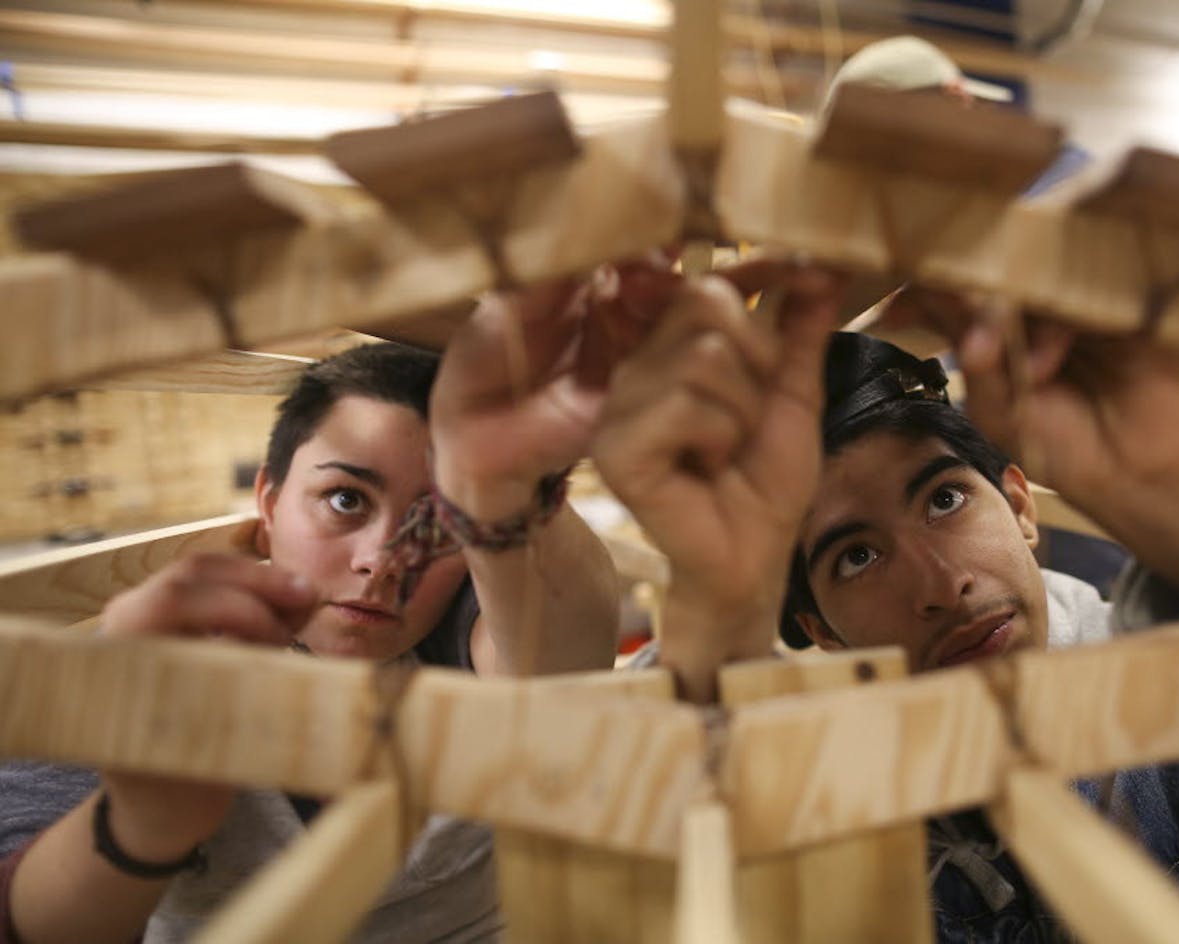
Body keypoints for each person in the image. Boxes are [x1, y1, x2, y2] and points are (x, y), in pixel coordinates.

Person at [594, 264, 1179, 940]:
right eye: (856, 556)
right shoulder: (831, 790)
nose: (939, 584)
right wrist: (714, 601)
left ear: (1020, 507)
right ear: (818, 631)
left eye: (946, 501)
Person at [0, 262, 675, 943]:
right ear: (268, 502)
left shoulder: (459, 623)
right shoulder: (150, 670)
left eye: (438, 521)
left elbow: (561, 656)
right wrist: (141, 823)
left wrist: (505, 486)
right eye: (346, 500)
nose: (382, 562)